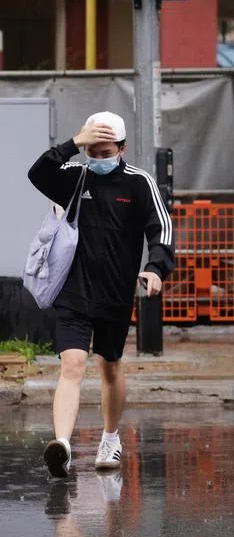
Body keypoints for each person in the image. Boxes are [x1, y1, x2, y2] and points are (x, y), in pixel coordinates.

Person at [29, 112, 174, 478]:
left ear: (122, 149)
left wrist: (156, 268)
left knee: (109, 365)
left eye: (105, 152)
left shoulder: (139, 183)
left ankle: (110, 438)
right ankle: (62, 445)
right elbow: (38, 173)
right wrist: (74, 143)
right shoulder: (76, 177)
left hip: (115, 294)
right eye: (92, 151)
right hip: (73, 291)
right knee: (71, 365)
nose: (97, 158)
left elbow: (161, 228)